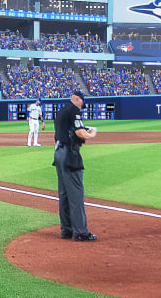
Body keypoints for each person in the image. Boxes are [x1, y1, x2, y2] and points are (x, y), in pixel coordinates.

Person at [53, 91, 99, 241]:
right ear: (77, 99)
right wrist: (92, 133)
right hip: (70, 155)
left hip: (59, 153)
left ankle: (66, 230)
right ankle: (80, 232)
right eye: (82, 103)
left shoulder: (61, 111)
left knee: (64, 194)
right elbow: (80, 133)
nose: (82, 107)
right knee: (76, 195)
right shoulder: (73, 109)